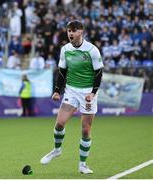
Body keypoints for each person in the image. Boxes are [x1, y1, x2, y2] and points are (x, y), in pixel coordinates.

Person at [40, 20, 104, 174]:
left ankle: (82, 165)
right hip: (71, 91)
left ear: (81, 32)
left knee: (86, 130)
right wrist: (57, 90)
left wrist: (93, 93)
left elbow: (99, 73)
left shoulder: (92, 50)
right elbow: (62, 71)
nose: (70, 33)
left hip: (88, 92)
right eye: (69, 30)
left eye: (74, 31)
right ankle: (56, 150)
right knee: (60, 123)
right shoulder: (65, 49)